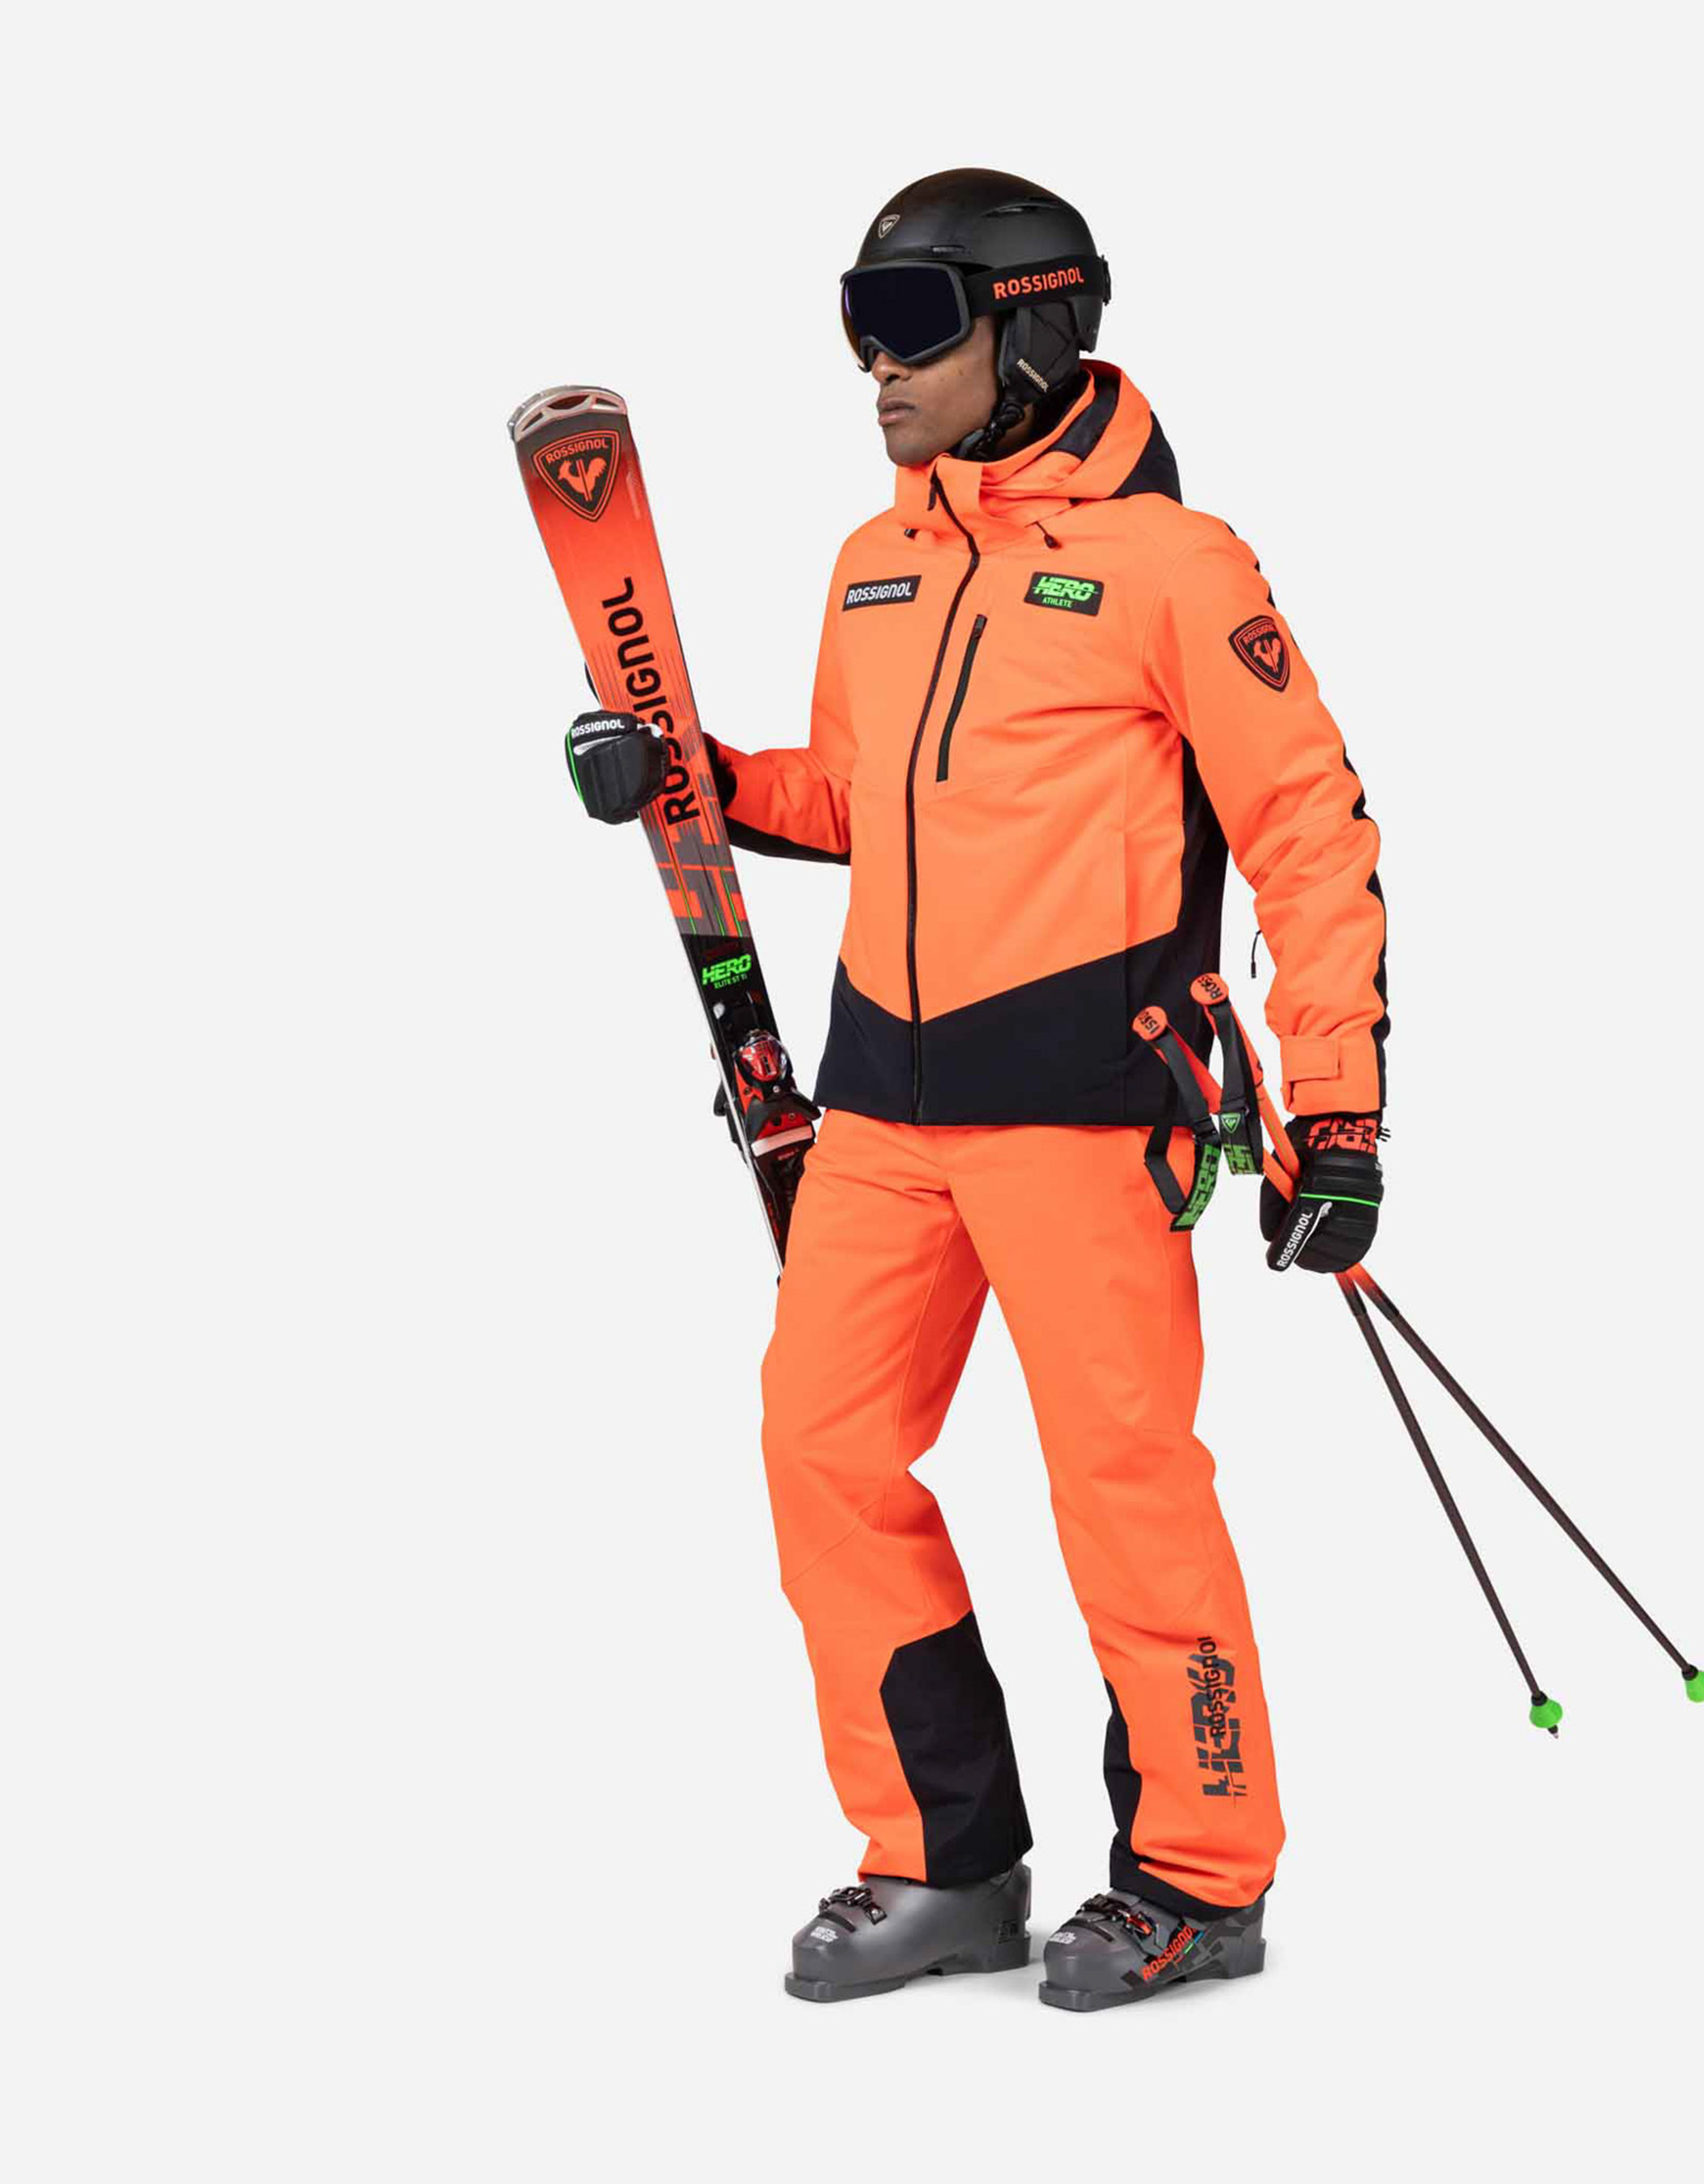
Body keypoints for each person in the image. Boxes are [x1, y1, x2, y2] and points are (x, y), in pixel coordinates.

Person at [566, 169, 1388, 2012]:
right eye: (856, 320)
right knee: (822, 1451)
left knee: (1120, 1484)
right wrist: (698, 777)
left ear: (1034, 327)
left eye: (914, 320)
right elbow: (858, 802)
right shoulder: (875, 562)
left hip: (1086, 1107)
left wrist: (1334, 1110)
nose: (877, 363)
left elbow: (1307, 827)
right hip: (880, 1106)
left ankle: (1198, 1874)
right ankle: (940, 1859)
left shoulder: (1175, 567)